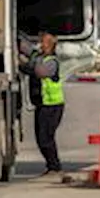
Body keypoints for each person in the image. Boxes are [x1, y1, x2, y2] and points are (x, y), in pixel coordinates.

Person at [27, 32, 65, 178]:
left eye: (43, 42)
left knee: (46, 137)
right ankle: (52, 166)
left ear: (49, 45)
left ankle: (55, 167)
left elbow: (40, 72)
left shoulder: (51, 61)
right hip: (42, 104)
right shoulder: (41, 58)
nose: (40, 45)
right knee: (41, 137)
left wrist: (31, 62)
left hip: (53, 105)